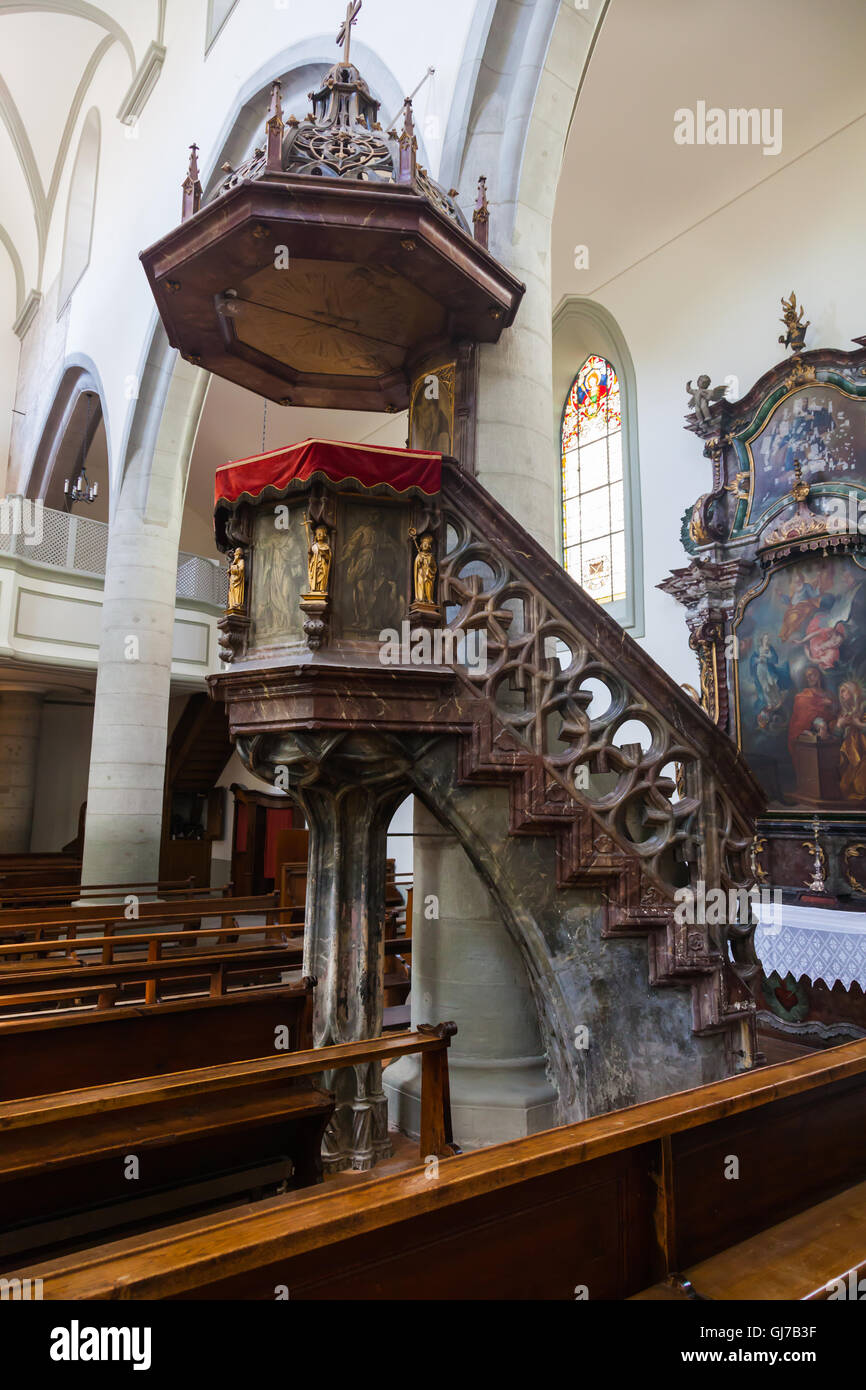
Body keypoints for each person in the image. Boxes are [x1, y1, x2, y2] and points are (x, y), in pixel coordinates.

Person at [787, 665, 836, 758]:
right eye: (807, 677)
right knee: (821, 725)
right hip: (811, 723)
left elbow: (835, 711)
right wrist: (821, 703)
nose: (808, 678)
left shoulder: (828, 693)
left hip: (829, 724)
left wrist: (831, 704)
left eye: (811, 675)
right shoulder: (805, 694)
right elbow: (804, 711)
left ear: (819, 675)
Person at [837, 680, 866, 800]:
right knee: (845, 786)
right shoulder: (845, 712)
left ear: (852, 691)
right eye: (840, 692)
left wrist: (857, 724)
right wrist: (839, 725)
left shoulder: (864, 706)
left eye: (844, 691)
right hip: (851, 750)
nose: (842, 695)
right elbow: (838, 734)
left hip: (863, 750)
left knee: (861, 785)